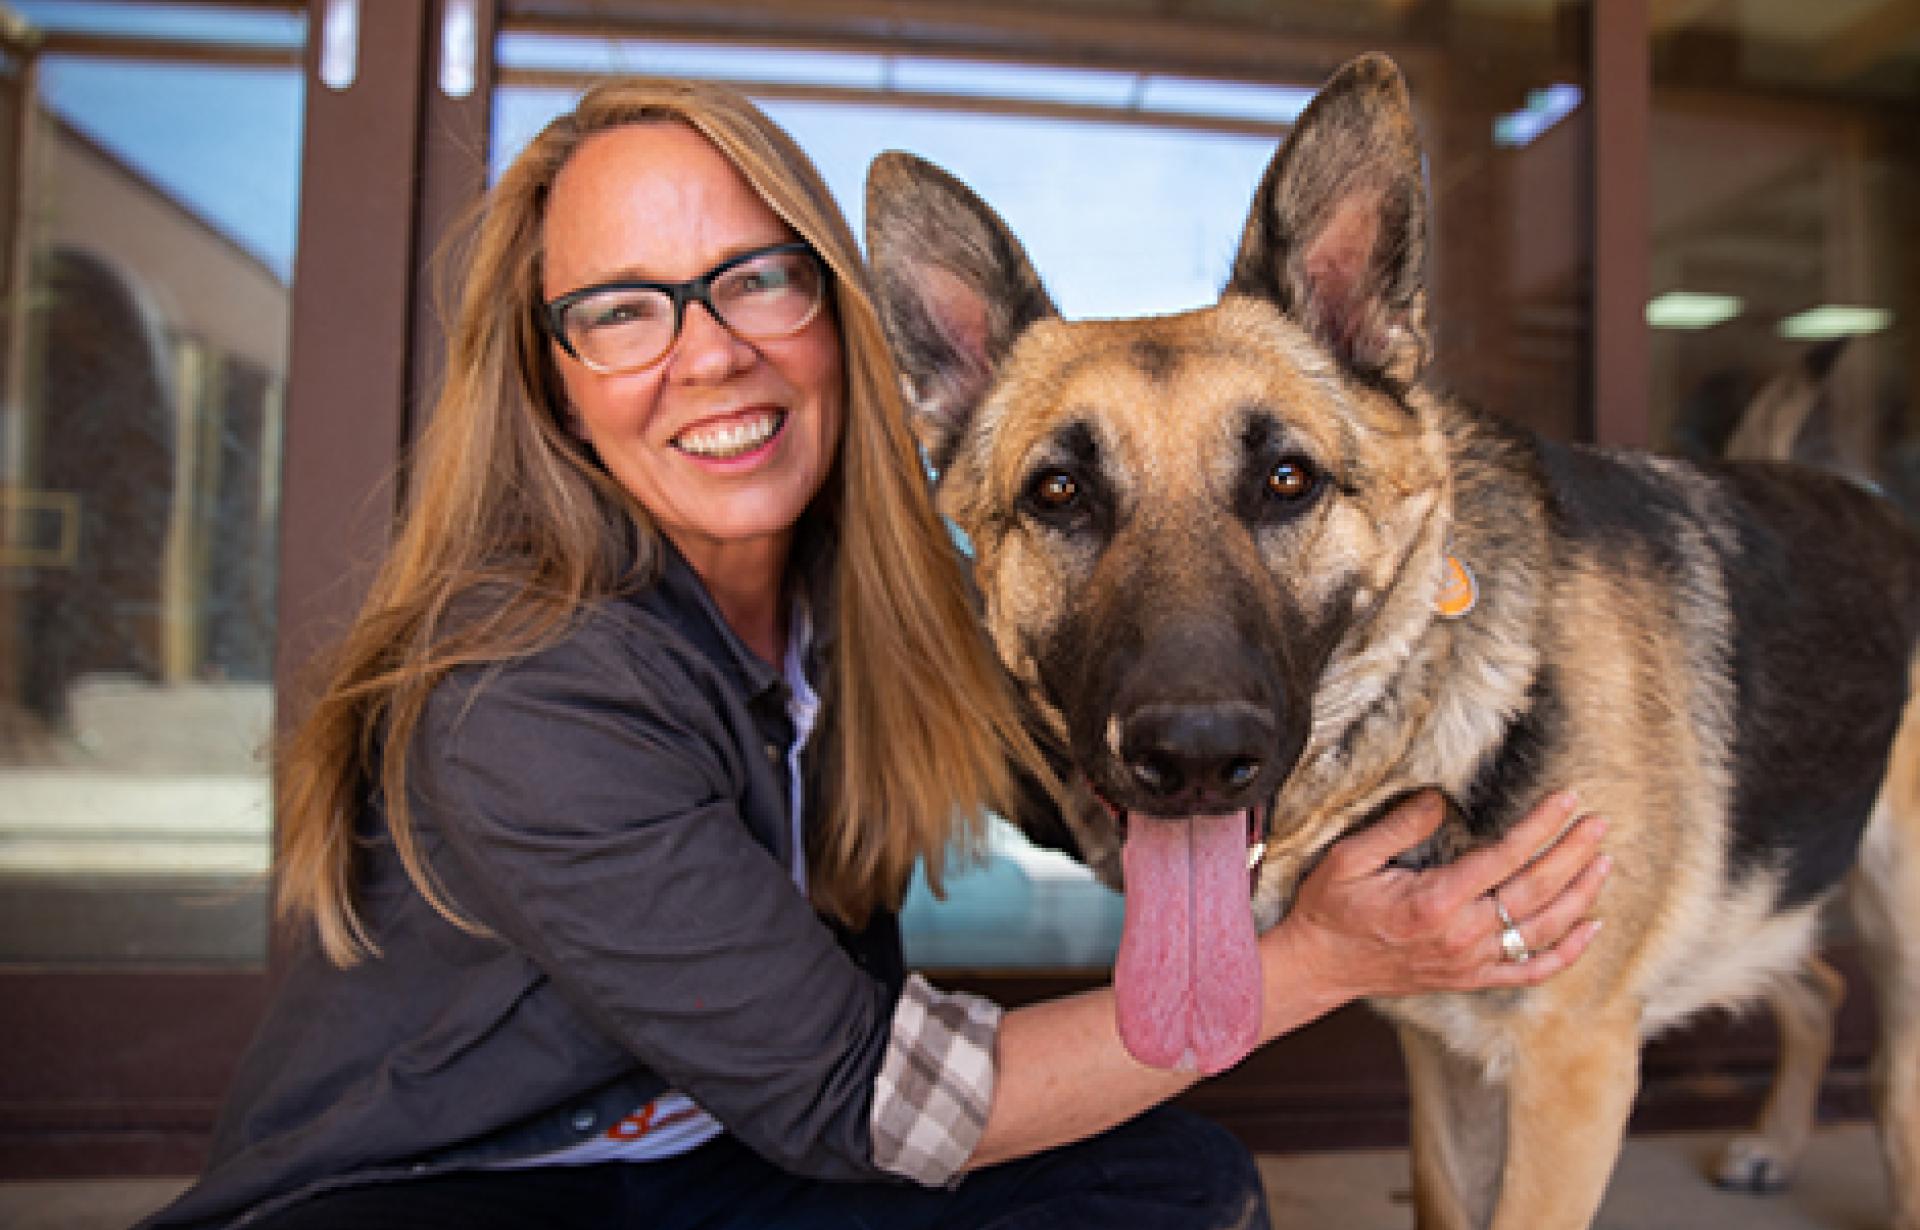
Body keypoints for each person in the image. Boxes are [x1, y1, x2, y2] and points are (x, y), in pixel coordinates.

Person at [140, 77, 1609, 1230]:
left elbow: (1104, 794)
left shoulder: (874, 616)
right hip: (439, 1187)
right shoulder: (524, 692)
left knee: (1174, 1190)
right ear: (558, 381)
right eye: (623, 309)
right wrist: (1325, 958)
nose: (707, 351)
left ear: (840, 321)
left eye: (753, 280)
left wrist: (1429, 674)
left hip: (721, 1166)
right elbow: (854, 1094)